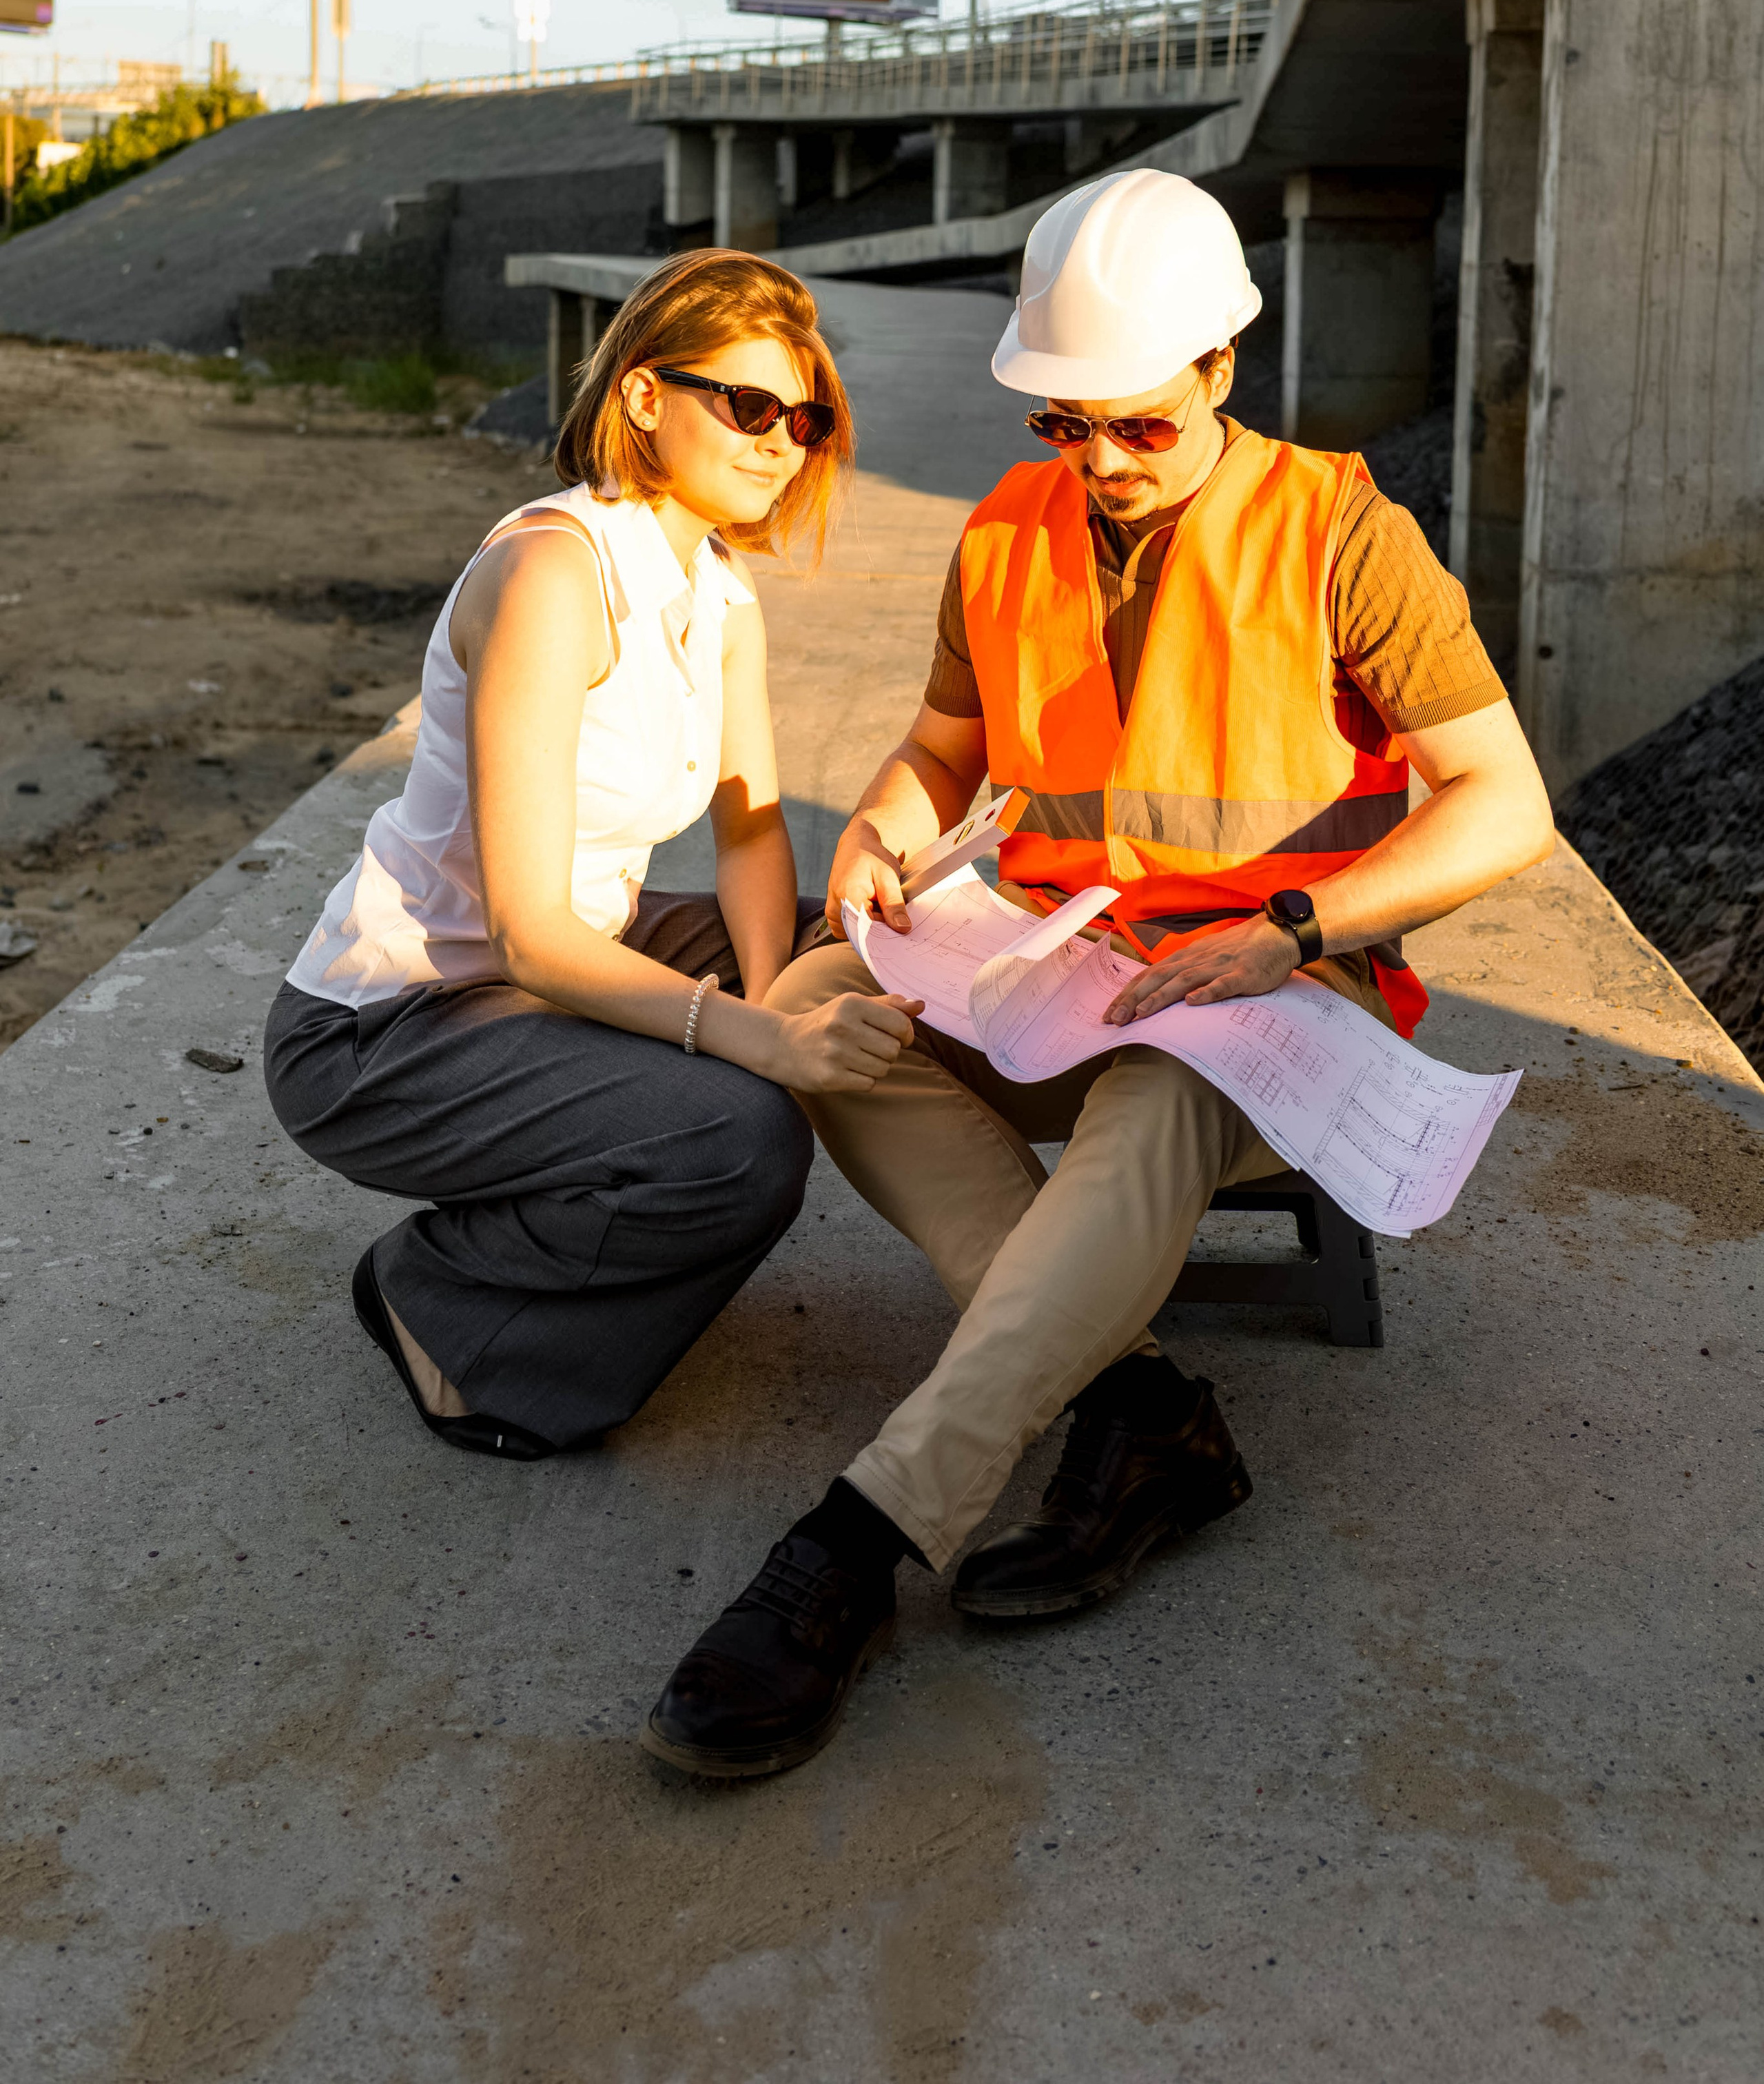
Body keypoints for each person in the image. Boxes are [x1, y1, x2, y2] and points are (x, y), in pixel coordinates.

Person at [642, 168, 1556, 1777]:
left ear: (1219, 369)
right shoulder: (1002, 530)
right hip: (1052, 967)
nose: (1101, 463)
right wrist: (874, 831)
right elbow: (941, 750)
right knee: (801, 1008)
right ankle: (1141, 1414)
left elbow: (1503, 801)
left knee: (1153, 1100)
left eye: (1136, 425)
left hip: (1277, 992)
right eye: (1066, 428)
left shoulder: (1343, 531)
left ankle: (860, 1541)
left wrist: (1286, 933)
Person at [265, 249, 920, 1460]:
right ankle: (446, 1296)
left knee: (854, 958)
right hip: (394, 1022)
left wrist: (778, 993)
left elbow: (754, 828)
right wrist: (760, 1042)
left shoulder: (715, 592)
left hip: (566, 953)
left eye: (807, 418)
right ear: (642, 397)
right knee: (740, 1140)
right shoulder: (551, 574)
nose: (783, 441)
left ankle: (572, 1203)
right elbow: (524, 931)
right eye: (751, 405)